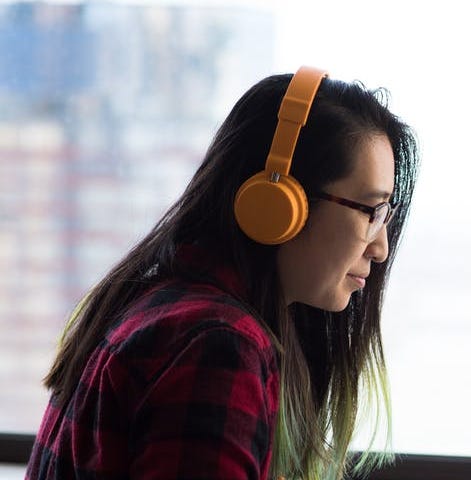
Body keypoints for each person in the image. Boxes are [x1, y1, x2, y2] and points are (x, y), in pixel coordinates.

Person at [25, 66, 418, 480]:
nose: (381, 248)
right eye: (370, 211)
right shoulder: (217, 344)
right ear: (280, 201)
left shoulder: (161, 307)